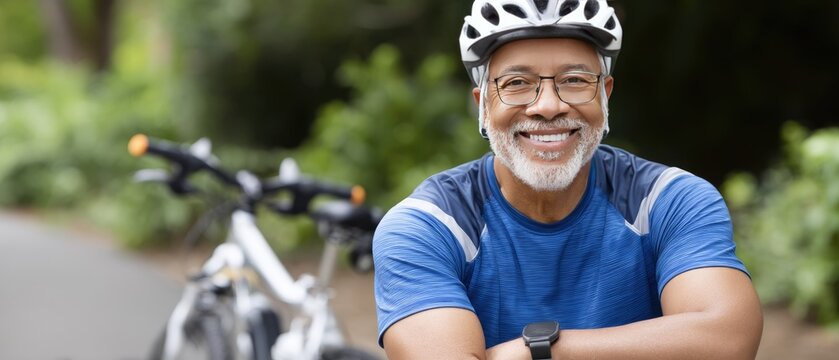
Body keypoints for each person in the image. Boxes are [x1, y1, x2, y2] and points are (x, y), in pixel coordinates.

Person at [372, 1, 763, 359]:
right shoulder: (426, 227)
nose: (548, 106)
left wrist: (546, 350)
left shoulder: (670, 200)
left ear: (604, 95)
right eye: (516, 83)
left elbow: (728, 342)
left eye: (575, 80)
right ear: (483, 105)